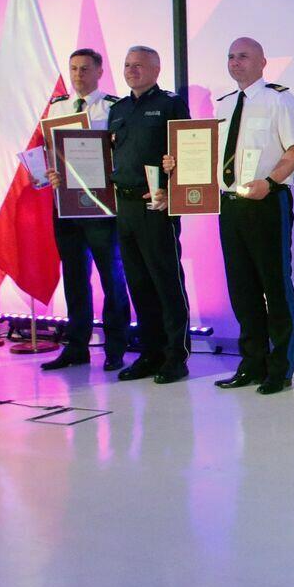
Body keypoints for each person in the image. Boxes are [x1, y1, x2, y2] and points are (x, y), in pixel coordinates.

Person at [164, 37, 294, 394]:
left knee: (275, 285)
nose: (235, 62)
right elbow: (209, 154)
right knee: (241, 288)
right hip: (230, 204)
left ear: (262, 62)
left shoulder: (280, 100)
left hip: (267, 202)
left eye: (243, 56)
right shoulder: (223, 104)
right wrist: (179, 165)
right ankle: (252, 363)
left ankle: (280, 368)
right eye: (230, 57)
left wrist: (269, 183)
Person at [41, 48, 131, 371]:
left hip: (101, 205)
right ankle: (77, 346)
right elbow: (49, 150)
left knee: (112, 276)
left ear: (99, 72)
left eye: (85, 69)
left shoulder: (114, 107)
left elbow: (122, 151)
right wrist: (50, 172)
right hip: (66, 205)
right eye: (74, 69)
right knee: (74, 277)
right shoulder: (57, 107)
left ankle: (116, 346)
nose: (78, 75)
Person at [109, 46, 192, 383]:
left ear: (156, 70)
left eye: (139, 65)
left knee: (166, 282)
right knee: (139, 284)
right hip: (125, 207)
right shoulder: (118, 108)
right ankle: (151, 353)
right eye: (127, 65)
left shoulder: (170, 104)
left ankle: (176, 356)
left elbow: (188, 153)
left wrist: (171, 194)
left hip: (156, 205)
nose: (131, 70)